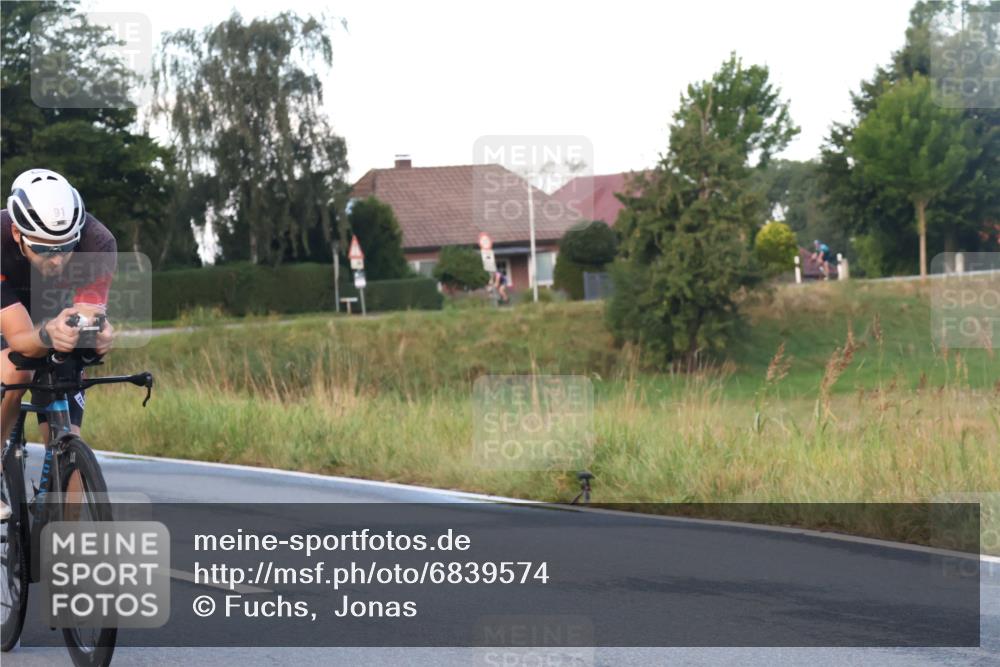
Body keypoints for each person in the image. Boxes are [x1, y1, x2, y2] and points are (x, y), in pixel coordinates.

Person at [1, 169, 116, 520]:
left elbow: (86, 312)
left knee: (68, 428)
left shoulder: (98, 242)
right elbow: (20, 338)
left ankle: (64, 545)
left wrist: (96, 330)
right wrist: (47, 335)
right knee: (16, 371)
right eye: (45, 250)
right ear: (18, 233)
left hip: (53, 308)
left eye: (66, 248)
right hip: (8, 306)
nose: (57, 260)